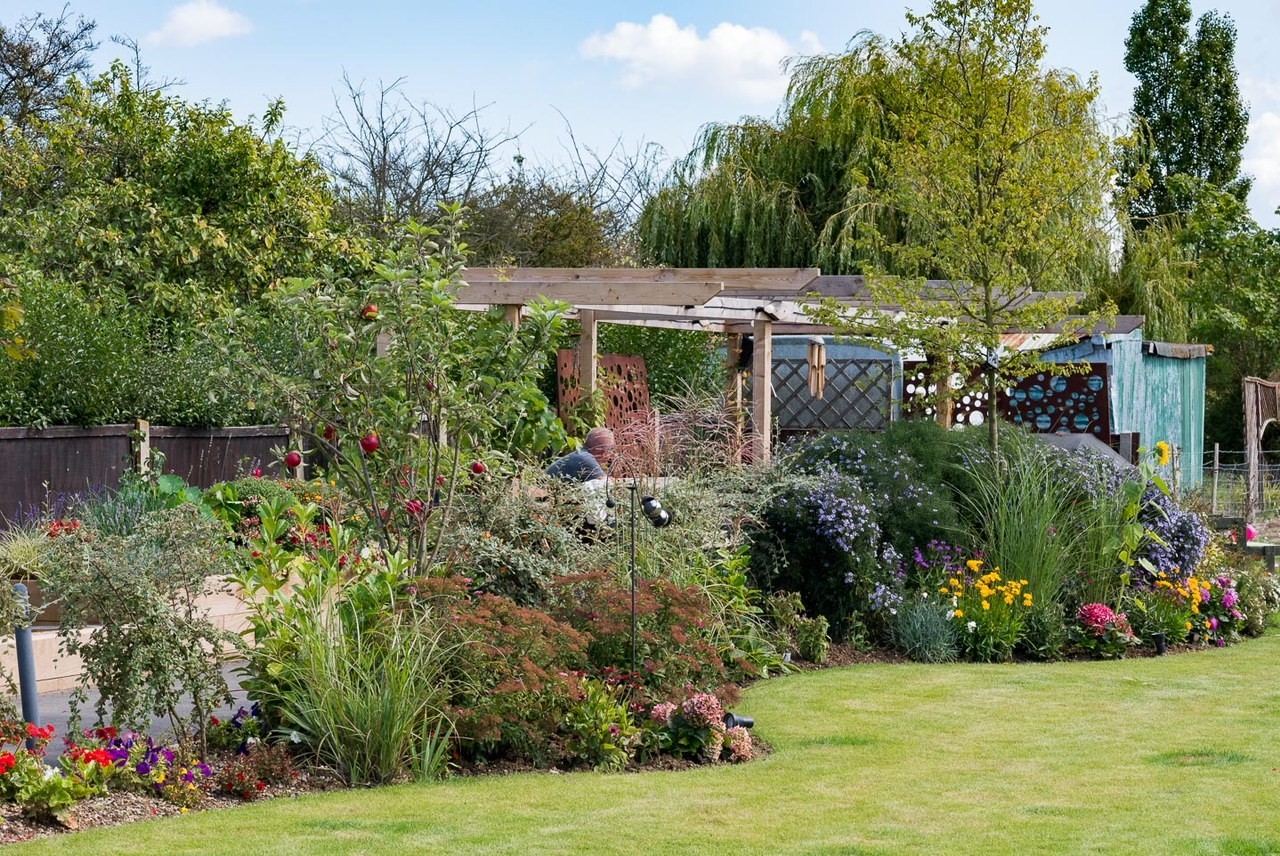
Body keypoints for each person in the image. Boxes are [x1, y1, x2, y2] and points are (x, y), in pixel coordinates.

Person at [547, 427, 615, 482]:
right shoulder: (585, 459)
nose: (611, 453)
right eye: (610, 449)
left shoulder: (582, 454)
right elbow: (607, 484)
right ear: (602, 451)